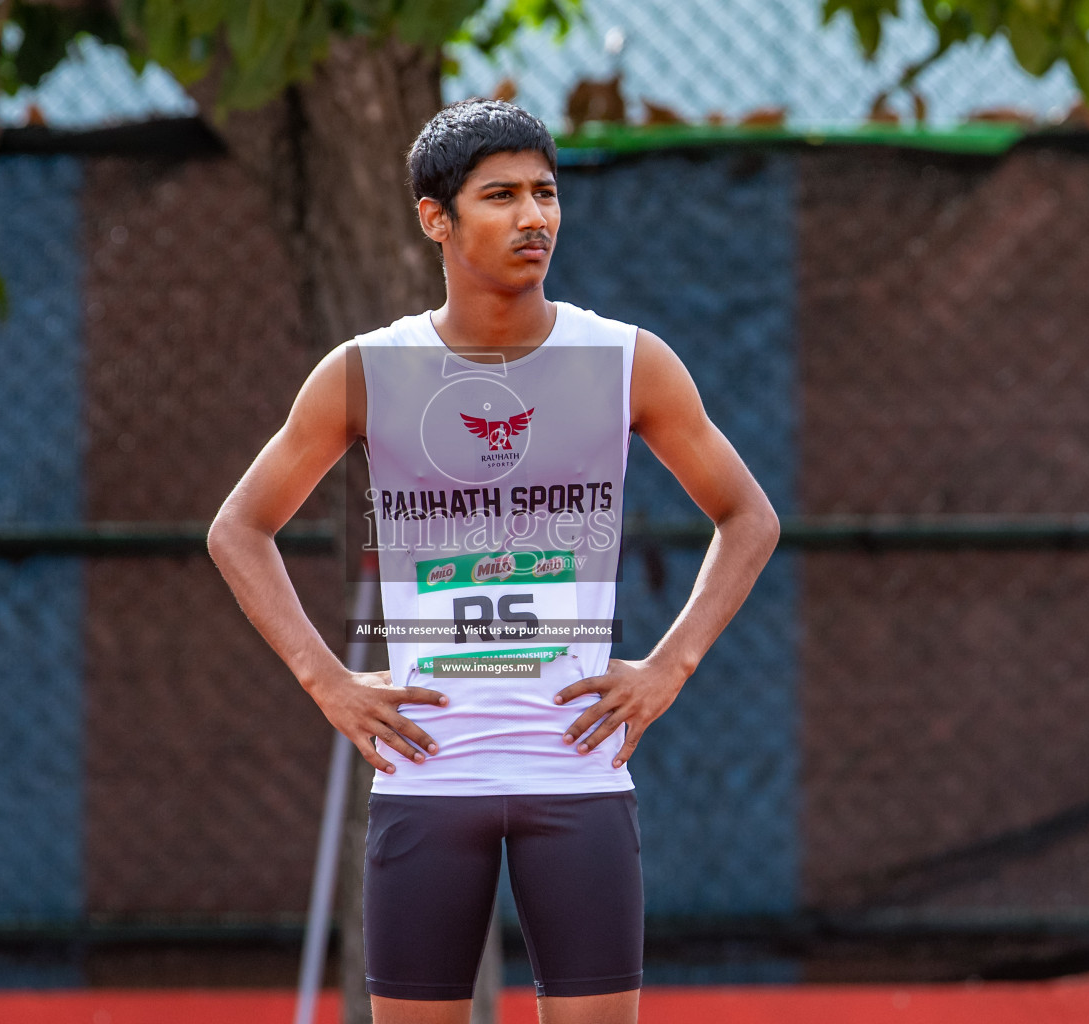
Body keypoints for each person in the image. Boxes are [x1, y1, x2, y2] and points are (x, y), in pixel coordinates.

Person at [208, 98, 779, 1024]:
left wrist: (669, 667)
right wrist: (328, 682)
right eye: (501, 195)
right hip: (429, 779)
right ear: (436, 219)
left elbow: (748, 516)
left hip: (578, 777)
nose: (534, 218)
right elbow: (238, 529)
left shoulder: (627, 360)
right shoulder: (367, 370)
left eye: (546, 194)